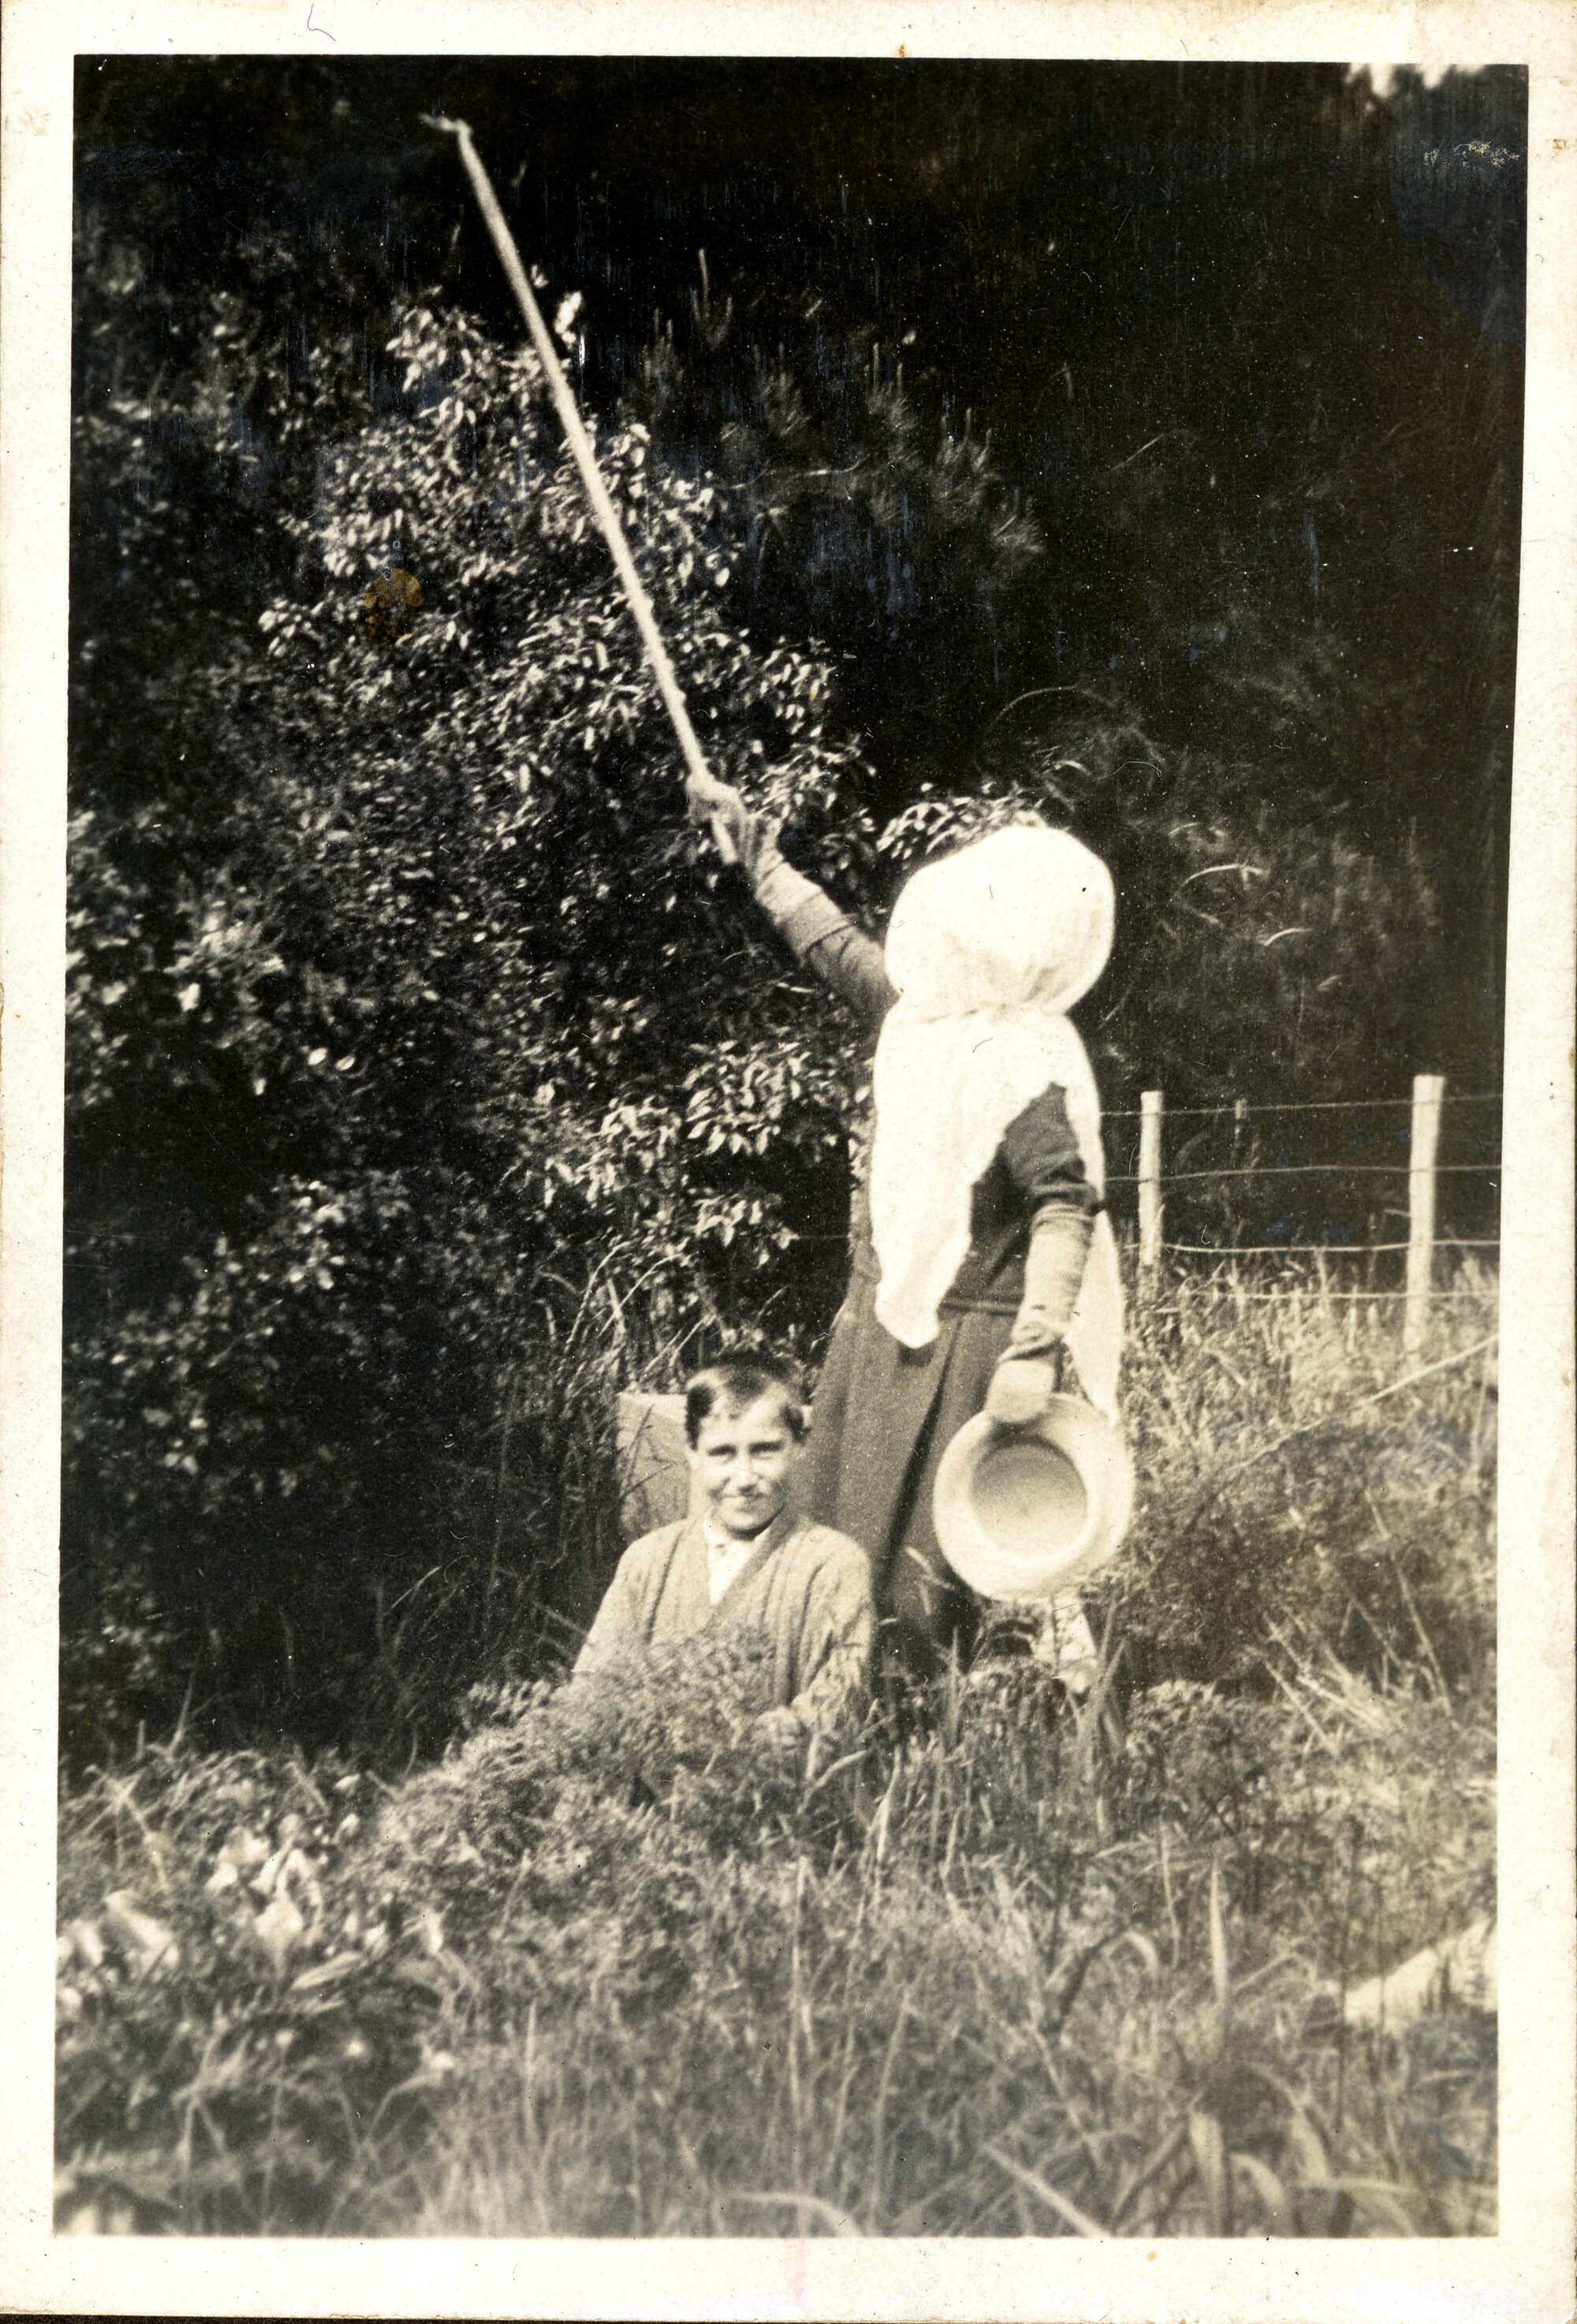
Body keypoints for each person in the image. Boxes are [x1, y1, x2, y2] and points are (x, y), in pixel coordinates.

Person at [704, 797, 1124, 1688]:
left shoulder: (1025, 1061)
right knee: (848, 1529)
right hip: (889, 1324)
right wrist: (758, 860)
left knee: (947, 1558)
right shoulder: (925, 1014)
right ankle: (842, 1696)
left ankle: (967, 1716)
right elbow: (837, 950)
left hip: (973, 1341)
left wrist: (1034, 1350)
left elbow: (1063, 1206)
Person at [575, 1355, 874, 1734]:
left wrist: (772, 1735)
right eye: (722, 1453)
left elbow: (842, 1699)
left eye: (765, 1450)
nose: (745, 1477)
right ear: (693, 1453)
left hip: (773, 1781)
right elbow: (591, 1691)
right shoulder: (648, 1562)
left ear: (799, 1446)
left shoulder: (834, 1565)